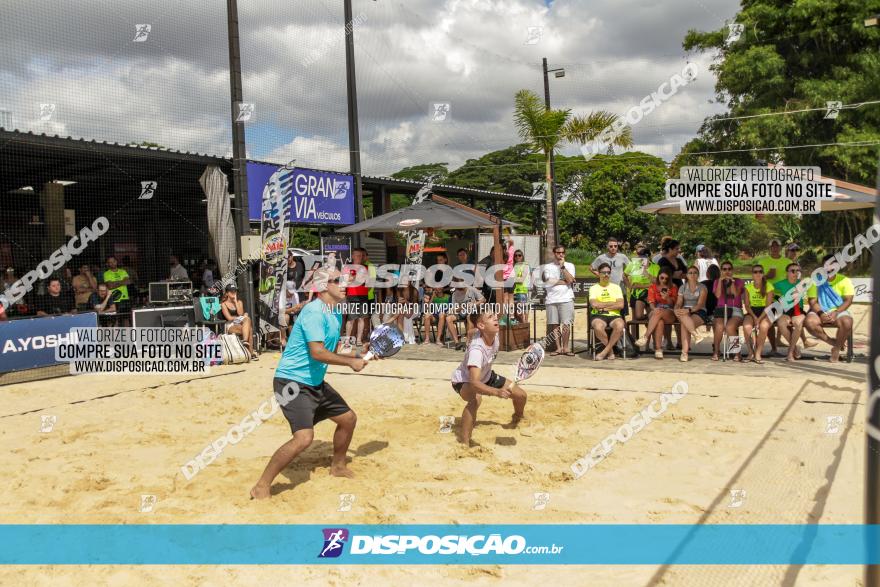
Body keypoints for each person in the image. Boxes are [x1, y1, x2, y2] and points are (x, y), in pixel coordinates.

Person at [250, 268, 365, 499]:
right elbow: (318, 353)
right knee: (304, 438)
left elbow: (332, 349)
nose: (343, 285)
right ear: (323, 287)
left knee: (348, 419)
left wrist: (361, 351)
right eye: (336, 281)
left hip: (314, 382)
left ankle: (338, 466)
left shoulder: (335, 312)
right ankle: (261, 485)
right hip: (291, 382)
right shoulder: (314, 312)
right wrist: (351, 362)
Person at [451, 310, 527, 445]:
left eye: (495, 315)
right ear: (481, 325)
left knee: (521, 395)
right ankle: (464, 442)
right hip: (464, 381)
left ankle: (518, 418)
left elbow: (470, 332)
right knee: (475, 400)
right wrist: (496, 392)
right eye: (491, 317)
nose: (496, 318)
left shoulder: (492, 333)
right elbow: (474, 383)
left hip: (487, 376)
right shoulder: (476, 351)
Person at [804, 254, 855, 363]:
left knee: (847, 322)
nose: (830, 267)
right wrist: (821, 313)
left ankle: (836, 349)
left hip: (838, 310)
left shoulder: (844, 280)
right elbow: (812, 301)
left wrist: (836, 312)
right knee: (809, 322)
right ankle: (834, 343)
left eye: (833, 264)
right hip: (819, 310)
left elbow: (848, 300)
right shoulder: (815, 280)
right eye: (827, 265)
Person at [636, 268, 678, 359]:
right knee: (659, 321)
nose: (664, 280)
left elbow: (673, 304)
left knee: (658, 313)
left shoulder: (673, 287)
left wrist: (667, 298)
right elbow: (651, 303)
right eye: (662, 278)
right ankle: (658, 350)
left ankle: (646, 336)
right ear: (658, 276)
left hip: (669, 311)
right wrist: (654, 309)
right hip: (656, 309)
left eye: (666, 279)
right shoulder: (653, 287)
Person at [542, 245, 576, 356]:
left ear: (564, 253)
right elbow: (548, 281)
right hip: (552, 299)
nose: (560, 254)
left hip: (566, 298)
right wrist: (564, 281)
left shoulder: (569, 265)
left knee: (566, 324)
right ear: (554, 253)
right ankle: (558, 348)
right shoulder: (547, 266)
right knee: (554, 324)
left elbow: (570, 280)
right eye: (558, 252)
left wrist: (562, 268)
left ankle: (566, 348)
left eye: (562, 252)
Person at [589, 263, 625, 361]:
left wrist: (603, 306)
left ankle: (605, 351)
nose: (606, 275)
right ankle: (610, 351)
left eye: (608, 272)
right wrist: (612, 303)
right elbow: (594, 305)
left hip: (614, 315)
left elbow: (621, 305)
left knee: (620, 325)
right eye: (604, 272)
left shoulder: (616, 287)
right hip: (598, 315)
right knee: (598, 327)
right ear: (599, 273)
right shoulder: (594, 288)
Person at [773, 263, 808, 362]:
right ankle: (795, 348)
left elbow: (810, 298)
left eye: (798, 271)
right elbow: (769, 291)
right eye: (793, 271)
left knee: (798, 323)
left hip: (798, 310)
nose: (795, 273)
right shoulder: (780, 284)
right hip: (785, 310)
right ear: (787, 273)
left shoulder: (803, 284)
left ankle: (790, 352)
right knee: (781, 324)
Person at [711, 261, 745, 362]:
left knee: (730, 326)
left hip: (735, 309)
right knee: (719, 326)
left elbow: (735, 294)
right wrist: (721, 282)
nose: (727, 271)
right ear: (721, 271)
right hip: (721, 309)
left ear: (732, 270)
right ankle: (716, 351)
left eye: (729, 269)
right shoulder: (717, 281)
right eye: (724, 269)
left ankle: (736, 353)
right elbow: (717, 295)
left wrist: (732, 282)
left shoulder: (738, 281)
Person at [674, 266, 708, 362]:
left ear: (698, 275)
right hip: (685, 311)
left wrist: (687, 311)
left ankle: (684, 353)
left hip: (699, 311)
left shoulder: (702, 287)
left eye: (695, 273)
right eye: (690, 273)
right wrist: (676, 308)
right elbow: (679, 302)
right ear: (687, 275)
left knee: (685, 324)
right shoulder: (682, 287)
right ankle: (695, 334)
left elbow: (700, 304)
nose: (692, 275)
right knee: (684, 319)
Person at [742, 264, 774, 363]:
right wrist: (755, 317)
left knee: (764, 327)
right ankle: (750, 352)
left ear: (763, 274)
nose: (758, 274)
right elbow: (747, 306)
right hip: (752, 311)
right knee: (746, 326)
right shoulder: (748, 287)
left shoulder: (769, 286)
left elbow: (768, 306)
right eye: (755, 272)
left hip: (766, 311)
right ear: (752, 274)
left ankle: (758, 353)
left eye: (760, 271)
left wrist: (759, 319)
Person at [445, 275, 485, 349]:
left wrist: (474, 304)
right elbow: (454, 309)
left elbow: (483, 299)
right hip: (461, 312)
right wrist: (462, 307)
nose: (460, 290)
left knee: (469, 317)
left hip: (472, 312)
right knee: (448, 319)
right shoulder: (455, 293)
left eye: (462, 288)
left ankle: (468, 342)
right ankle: (457, 343)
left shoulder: (472, 289)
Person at [221, 284, 258, 360]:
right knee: (249, 327)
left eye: (235, 291)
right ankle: (250, 353)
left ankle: (245, 342)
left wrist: (235, 301)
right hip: (230, 325)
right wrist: (239, 317)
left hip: (241, 323)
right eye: (231, 291)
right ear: (227, 293)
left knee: (247, 320)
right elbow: (229, 318)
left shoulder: (239, 302)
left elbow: (240, 313)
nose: (234, 293)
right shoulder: (223, 304)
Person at [343, 248, 371, 344]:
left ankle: (359, 339)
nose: (359, 257)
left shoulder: (366, 268)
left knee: (361, 318)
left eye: (361, 255)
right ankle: (347, 339)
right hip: (352, 295)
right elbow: (346, 281)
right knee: (351, 318)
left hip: (363, 295)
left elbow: (369, 282)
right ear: (353, 256)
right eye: (357, 255)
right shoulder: (347, 267)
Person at [624, 246, 654, 321]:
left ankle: (650, 330)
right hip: (634, 293)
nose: (641, 259)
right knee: (635, 318)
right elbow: (624, 276)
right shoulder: (633, 264)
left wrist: (641, 285)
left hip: (649, 293)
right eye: (640, 256)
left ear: (648, 257)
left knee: (645, 317)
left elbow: (658, 283)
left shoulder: (655, 267)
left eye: (643, 257)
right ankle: (635, 333)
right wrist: (630, 287)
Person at [103, 256, 131, 323]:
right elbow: (110, 286)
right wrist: (122, 282)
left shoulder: (123, 271)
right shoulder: (106, 273)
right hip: (113, 299)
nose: (112, 263)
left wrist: (114, 283)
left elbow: (128, 282)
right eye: (110, 262)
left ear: (116, 262)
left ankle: (126, 333)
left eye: (114, 261)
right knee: (114, 319)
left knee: (125, 318)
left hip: (124, 298)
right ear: (108, 264)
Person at [512, 249, 531, 323]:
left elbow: (521, 279)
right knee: (515, 314)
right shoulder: (513, 265)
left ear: (522, 256)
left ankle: (525, 330)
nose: (517, 257)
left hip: (522, 292)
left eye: (519, 255)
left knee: (521, 314)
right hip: (513, 291)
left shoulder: (525, 265)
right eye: (515, 255)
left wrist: (510, 279)